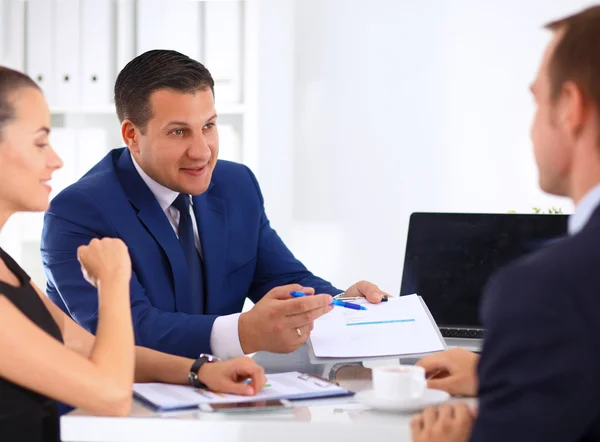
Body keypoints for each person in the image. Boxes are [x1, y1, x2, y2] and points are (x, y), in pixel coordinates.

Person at [41, 49, 389, 360]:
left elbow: (281, 278)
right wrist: (245, 332)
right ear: (132, 135)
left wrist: (343, 303)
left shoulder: (236, 185)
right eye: (179, 132)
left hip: (221, 399)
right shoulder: (78, 213)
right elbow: (131, 329)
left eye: (208, 126)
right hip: (118, 409)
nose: (202, 151)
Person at [0, 67, 266, 442]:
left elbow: (83, 346)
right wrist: (112, 279)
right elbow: (109, 393)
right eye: (40, 143)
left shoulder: (5, 266)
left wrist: (199, 370)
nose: (56, 161)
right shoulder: (81, 208)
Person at [411, 5, 600, 442]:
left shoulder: (547, 292)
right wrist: (506, 373)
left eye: (537, 101)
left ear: (570, 107)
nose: (532, 127)